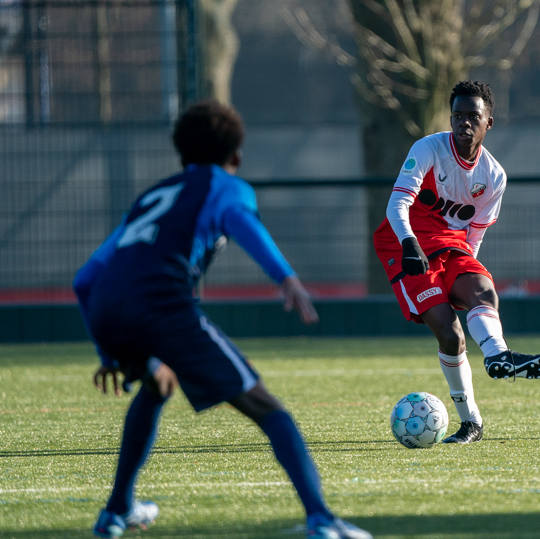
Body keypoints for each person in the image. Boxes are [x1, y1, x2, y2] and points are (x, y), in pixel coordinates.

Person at [73, 101, 371, 539]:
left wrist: (107, 349)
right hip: (162, 307)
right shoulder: (226, 187)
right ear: (236, 157)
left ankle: (117, 511)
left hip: (106, 308)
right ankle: (323, 520)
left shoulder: (151, 197)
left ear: (181, 154)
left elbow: (84, 281)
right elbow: (240, 221)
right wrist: (285, 277)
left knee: (160, 383)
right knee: (269, 410)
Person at [373, 80, 540, 445]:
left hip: (451, 245)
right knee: (451, 334)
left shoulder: (494, 177)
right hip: (404, 243)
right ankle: (470, 421)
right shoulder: (428, 148)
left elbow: (473, 237)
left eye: (473, 117)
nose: (464, 123)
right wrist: (410, 243)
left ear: (489, 122)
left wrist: (461, 276)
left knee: (482, 288)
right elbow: (397, 205)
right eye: (458, 116)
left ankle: (498, 356)